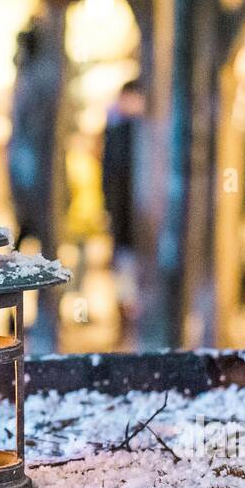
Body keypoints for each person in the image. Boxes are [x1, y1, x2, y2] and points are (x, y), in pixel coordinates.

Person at [7, 24, 63, 246]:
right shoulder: (26, 76)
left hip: (33, 147)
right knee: (21, 192)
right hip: (23, 144)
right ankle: (26, 225)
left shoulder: (36, 77)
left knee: (33, 193)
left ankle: (33, 229)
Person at [101, 79, 147, 339]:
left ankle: (130, 323)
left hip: (136, 215)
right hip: (125, 215)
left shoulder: (133, 131)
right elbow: (111, 176)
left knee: (130, 269)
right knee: (125, 269)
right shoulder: (120, 131)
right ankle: (126, 323)